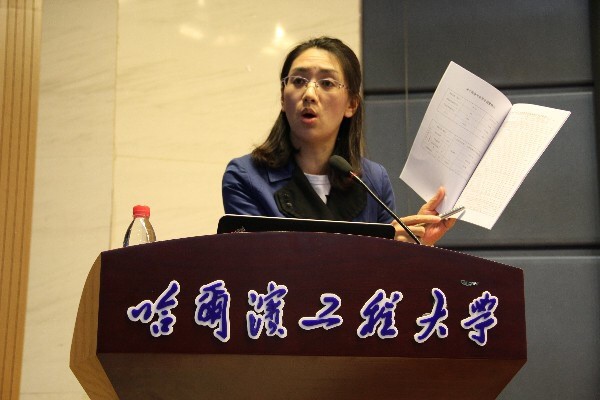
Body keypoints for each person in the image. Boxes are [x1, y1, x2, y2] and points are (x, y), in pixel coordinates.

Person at [222, 36, 455, 245]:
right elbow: (257, 266)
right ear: (283, 97)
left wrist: (413, 244)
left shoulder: (373, 181)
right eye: (298, 81)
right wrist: (376, 248)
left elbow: (386, 274)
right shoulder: (246, 176)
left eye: (327, 83)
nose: (309, 94)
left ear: (351, 104)